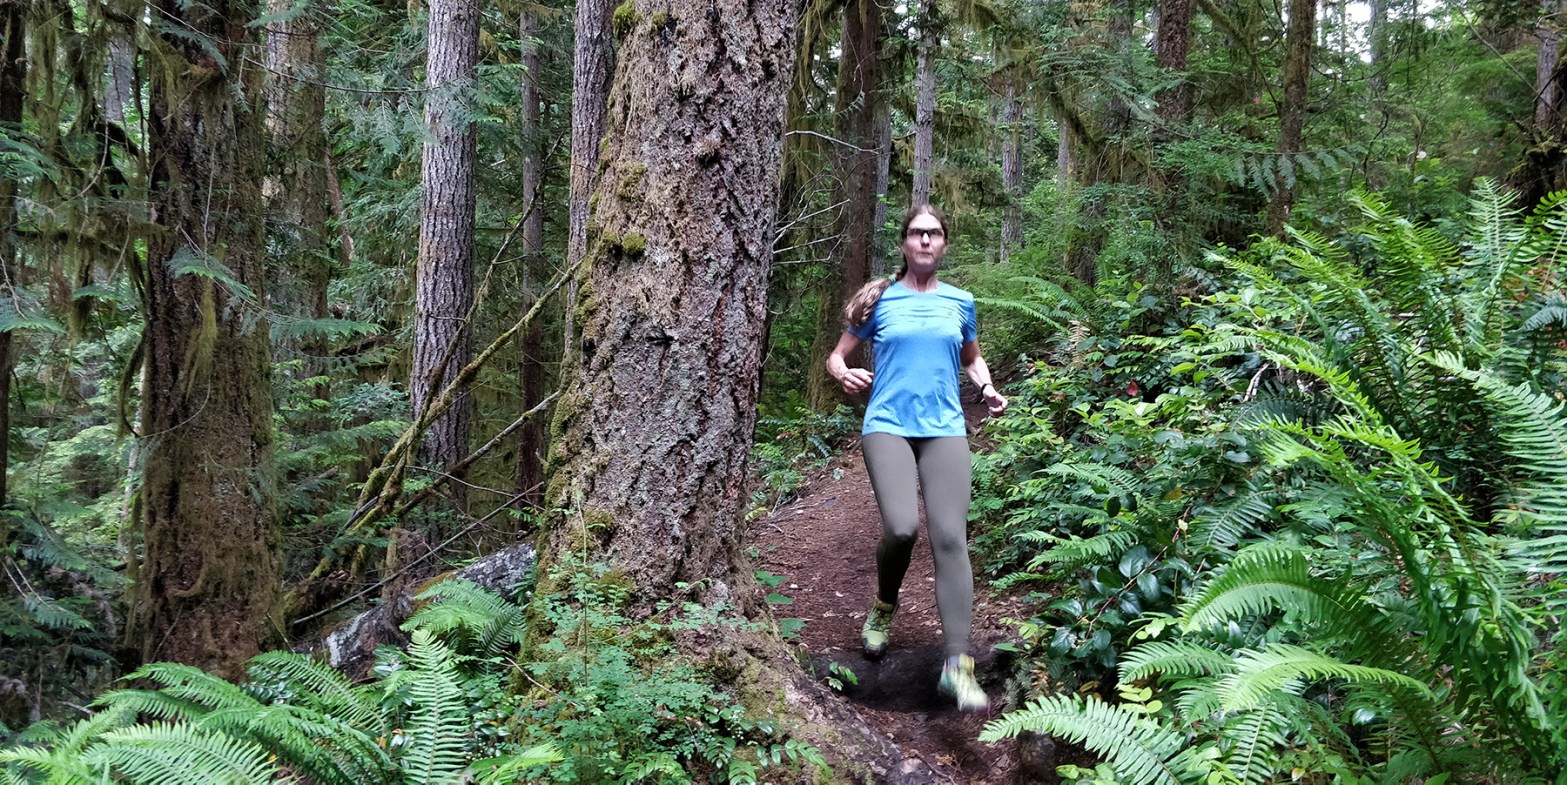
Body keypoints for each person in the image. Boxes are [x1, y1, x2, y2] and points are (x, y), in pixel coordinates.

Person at [825, 204, 1006, 712]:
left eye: (935, 234)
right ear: (904, 243)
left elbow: (970, 356)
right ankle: (885, 605)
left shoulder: (960, 302)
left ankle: (957, 664)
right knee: (902, 527)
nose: (926, 241)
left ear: (945, 244)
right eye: (917, 233)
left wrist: (987, 387)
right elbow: (838, 353)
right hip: (887, 426)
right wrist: (842, 372)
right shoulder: (880, 301)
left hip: (945, 428)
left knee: (951, 536)